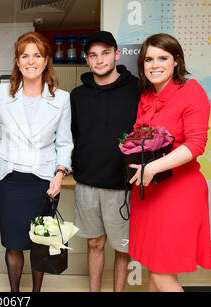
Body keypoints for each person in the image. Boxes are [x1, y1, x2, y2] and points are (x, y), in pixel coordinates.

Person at [0, 32, 73, 292]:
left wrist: (60, 173)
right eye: (25, 55)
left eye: (37, 55)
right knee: (13, 244)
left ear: (45, 62)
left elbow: (64, 143)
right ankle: (15, 294)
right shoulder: (2, 94)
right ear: (18, 63)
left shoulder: (62, 99)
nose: (31, 61)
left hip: (44, 182)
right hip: (10, 181)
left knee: (40, 243)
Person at [128, 33, 211, 292]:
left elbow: (195, 144)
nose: (155, 65)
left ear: (176, 61)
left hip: (178, 193)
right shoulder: (147, 96)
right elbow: (140, 138)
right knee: (156, 266)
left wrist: (151, 167)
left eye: (162, 58)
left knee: (164, 275)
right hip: (149, 192)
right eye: (149, 59)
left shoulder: (191, 91)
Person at [70, 31, 139, 292]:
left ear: (117, 54)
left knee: (122, 249)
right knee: (94, 244)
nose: (99, 60)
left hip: (122, 185)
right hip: (87, 184)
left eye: (105, 53)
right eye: (93, 55)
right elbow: (74, 136)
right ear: (87, 60)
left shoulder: (137, 90)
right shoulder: (77, 96)